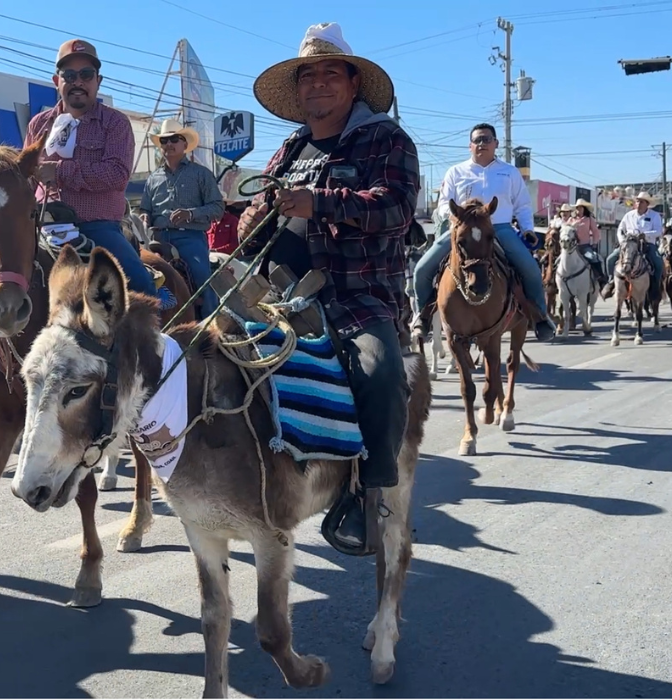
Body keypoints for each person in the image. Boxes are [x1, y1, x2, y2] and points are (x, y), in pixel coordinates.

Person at [237, 22, 417, 556]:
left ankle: (369, 491)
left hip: (353, 295)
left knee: (379, 371)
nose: (317, 82)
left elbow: (397, 208)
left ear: (353, 82)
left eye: (329, 72)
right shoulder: (290, 147)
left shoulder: (386, 138)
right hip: (272, 293)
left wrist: (321, 201)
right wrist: (253, 216)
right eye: (308, 75)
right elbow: (259, 213)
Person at [24, 39, 157, 298]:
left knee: (140, 286)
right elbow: (26, 178)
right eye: (69, 75)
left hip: (96, 228)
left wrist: (60, 171)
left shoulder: (114, 123)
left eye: (86, 74)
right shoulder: (38, 125)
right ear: (56, 81)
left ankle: (157, 335)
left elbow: (118, 175)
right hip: (43, 226)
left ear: (98, 80)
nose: (78, 82)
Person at [411, 123, 557, 342]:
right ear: (470, 146)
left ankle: (541, 318)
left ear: (496, 144)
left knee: (530, 268)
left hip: (500, 229)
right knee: (422, 269)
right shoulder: (456, 172)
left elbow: (523, 206)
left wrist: (527, 229)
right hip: (462, 231)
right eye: (477, 140)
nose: (482, 144)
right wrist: (452, 218)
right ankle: (422, 316)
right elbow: (443, 203)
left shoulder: (509, 172)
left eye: (486, 139)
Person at [137, 118, 224, 316]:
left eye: (174, 139)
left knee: (202, 277)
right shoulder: (153, 178)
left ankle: (211, 322)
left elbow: (218, 207)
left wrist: (191, 213)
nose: (168, 144)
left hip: (190, 238)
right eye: (164, 140)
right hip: (156, 238)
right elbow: (145, 209)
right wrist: (144, 218)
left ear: (185, 144)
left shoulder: (201, 174)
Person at [602, 192, 665, 298]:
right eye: (637, 201)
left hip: (647, 245)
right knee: (610, 259)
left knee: (658, 263)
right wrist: (622, 242)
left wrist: (645, 235)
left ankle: (655, 287)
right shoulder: (629, 215)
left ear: (647, 203)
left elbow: (659, 231)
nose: (638, 203)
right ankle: (611, 281)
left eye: (641, 201)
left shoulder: (654, 215)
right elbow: (620, 230)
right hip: (629, 244)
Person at [569, 198, 606, 285]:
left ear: (584, 209)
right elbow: (565, 229)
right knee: (559, 261)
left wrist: (594, 243)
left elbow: (595, 232)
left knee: (592, 257)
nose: (579, 210)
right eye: (577, 208)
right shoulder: (571, 220)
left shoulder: (589, 219)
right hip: (572, 247)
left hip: (584, 246)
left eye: (581, 208)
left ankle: (600, 277)